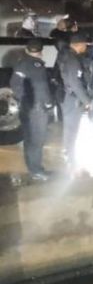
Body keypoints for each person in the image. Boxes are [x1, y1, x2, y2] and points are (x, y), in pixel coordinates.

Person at [10, 39, 54, 181]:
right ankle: (36, 170)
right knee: (37, 140)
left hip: (27, 107)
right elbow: (42, 89)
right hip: (37, 108)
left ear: (27, 49)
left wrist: (23, 100)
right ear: (41, 52)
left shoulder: (21, 63)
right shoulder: (36, 65)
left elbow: (15, 85)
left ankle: (32, 167)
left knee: (29, 139)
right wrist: (47, 103)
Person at [58, 33, 93, 165]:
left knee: (70, 126)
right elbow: (75, 83)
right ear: (78, 45)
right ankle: (69, 154)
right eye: (85, 44)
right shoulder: (73, 60)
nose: (86, 47)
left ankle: (68, 151)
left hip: (69, 96)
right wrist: (87, 101)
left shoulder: (68, 56)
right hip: (72, 98)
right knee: (71, 127)